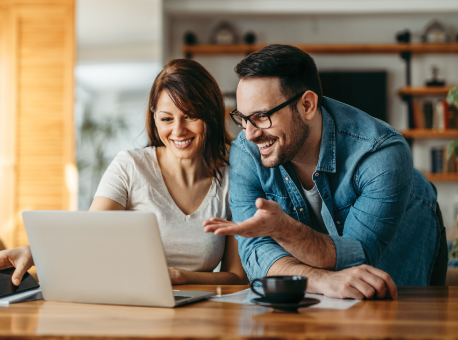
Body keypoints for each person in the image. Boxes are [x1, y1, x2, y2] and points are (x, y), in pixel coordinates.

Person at [204, 44, 448, 299]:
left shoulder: (380, 153)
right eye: (242, 118)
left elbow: (357, 256)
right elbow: (256, 253)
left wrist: (281, 229)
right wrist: (321, 280)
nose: (250, 134)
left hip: (407, 224)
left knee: (384, 312)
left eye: (262, 116)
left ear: (307, 105)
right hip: (324, 251)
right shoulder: (246, 150)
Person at [0, 59, 247, 286]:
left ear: (211, 115)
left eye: (190, 116)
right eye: (167, 119)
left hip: (202, 313)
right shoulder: (130, 166)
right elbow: (89, 233)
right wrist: (35, 250)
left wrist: (182, 277)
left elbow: (236, 277)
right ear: (154, 118)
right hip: (133, 302)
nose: (178, 130)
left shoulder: (233, 176)